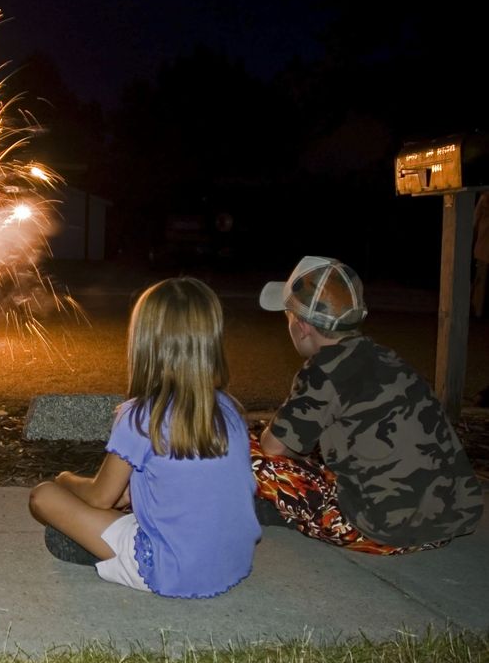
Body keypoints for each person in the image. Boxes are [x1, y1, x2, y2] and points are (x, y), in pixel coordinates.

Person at [28, 277, 260, 598]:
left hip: (170, 570)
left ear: (144, 343)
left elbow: (100, 498)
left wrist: (66, 480)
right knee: (124, 499)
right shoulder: (231, 411)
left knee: (44, 496)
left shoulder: (140, 416)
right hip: (232, 563)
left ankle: (106, 557)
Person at [253, 255, 483, 554]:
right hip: (447, 523)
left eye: (287, 317)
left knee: (254, 456)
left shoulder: (323, 370)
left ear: (302, 325)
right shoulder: (387, 357)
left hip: (385, 531)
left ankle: (277, 511)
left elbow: (275, 448)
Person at [473, 191, 489, 320]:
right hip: (483, 250)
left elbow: (475, 221)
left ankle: (478, 310)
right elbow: (475, 221)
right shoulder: (484, 199)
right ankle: (477, 310)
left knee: (481, 281)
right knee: (480, 281)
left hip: (482, 250)